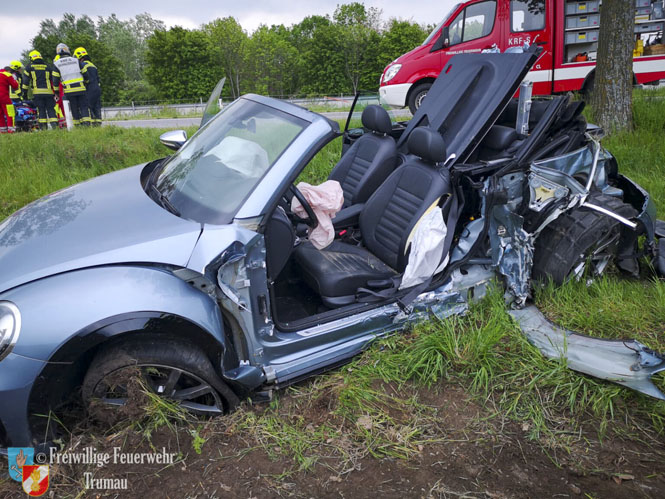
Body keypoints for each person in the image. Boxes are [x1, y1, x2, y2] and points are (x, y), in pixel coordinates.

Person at [53, 43, 90, 126]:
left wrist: (56, 92)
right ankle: (87, 124)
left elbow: (55, 80)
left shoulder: (56, 64)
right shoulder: (76, 60)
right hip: (81, 88)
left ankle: (77, 125)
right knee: (84, 107)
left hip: (69, 91)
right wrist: (86, 83)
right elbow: (85, 74)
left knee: (74, 108)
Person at [23, 50, 58, 130]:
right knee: (51, 110)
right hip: (49, 92)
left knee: (41, 110)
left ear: (31, 58)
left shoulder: (29, 67)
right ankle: (55, 127)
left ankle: (43, 128)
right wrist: (56, 91)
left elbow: (25, 83)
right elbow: (54, 79)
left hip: (37, 93)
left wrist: (24, 94)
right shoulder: (48, 66)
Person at [74, 47, 101, 126]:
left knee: (88, 106)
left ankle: (91, 125)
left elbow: (83, 77)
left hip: (89, 88)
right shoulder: (93, 65)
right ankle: (98, 124)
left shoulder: (82, 65)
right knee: (96, 107)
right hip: (97, 89)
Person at [0, 65, 19, 133]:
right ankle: (11, 129)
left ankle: (2, 130)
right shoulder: (7, 74)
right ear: (9, 71)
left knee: (0, 114)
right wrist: (14, 79)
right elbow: (15, 86)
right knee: (10, 112)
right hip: (4, 96)